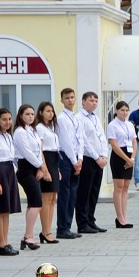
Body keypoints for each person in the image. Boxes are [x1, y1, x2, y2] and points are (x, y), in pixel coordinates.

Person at [12, 104, 48, 251]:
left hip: (35, 167)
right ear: (21, 116)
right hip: (25, 168)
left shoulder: (33, 130)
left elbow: (38, 149)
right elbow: (27, 152)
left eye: (32, 114)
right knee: (37, 202)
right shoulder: (20, 132)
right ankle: (28, 237)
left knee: (33, 202)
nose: (30, 117)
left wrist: (41, 167)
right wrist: (41, 165)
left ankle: (27, 236)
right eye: (27, 114)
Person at [0, 108, 21, 256]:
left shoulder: (8, 136)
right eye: (4, 119)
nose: (7, 122)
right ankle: (0, 243)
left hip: (9, 171)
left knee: (6, 210)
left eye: (9, 119)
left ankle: (5, 242)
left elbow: (12, 157)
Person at [76, 92, 109, 234]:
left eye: (96, 100)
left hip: (99, 159)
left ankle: (91, 220)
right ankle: (82, 223)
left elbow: (102, 138)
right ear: (83, 102)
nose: (94, 103)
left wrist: (104, 156)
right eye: (91, 100)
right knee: (85, 191)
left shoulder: (96, 118)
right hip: (88, 158)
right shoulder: (79, 118)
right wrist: (96, 157)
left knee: (94, 192)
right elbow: (84, 141)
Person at [55, 88, 84, 240]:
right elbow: (65, 142)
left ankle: (68, 225)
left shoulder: (76, 117)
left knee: (73, 193)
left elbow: (80, 139)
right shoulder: (61, 118)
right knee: (65, 194)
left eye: (72, 97)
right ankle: (62, 228)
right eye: (67, 98)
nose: (70, 100)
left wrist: (80, 159)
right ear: (62, 100)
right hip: (66, 158)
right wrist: (74, 161)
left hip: (75, 159)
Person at [106, 100, 138, 228]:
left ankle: (125, 216)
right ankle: (119, 217)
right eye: (122, 110)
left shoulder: (130, 124)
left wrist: (132, 158)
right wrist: (126, 158)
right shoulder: (112, 125)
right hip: (119, 156)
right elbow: (114, 144)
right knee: (119, 187)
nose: (124, 113)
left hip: (130, 155)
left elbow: (134, 142)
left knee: (125, 188)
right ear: (116, 111)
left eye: (126, 110)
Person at [35, 102, 60, 244]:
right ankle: (45, 231)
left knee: (52, 198)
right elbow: (40, 150)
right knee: (46, 198)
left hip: (54, 161)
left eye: (52, 111)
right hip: (47, 161)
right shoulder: (39, 128)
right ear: (41, 112)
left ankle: (48, 229)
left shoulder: (50, 128)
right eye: (47, 111)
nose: (51, 114)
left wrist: (58, 170)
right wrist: (44, 169)